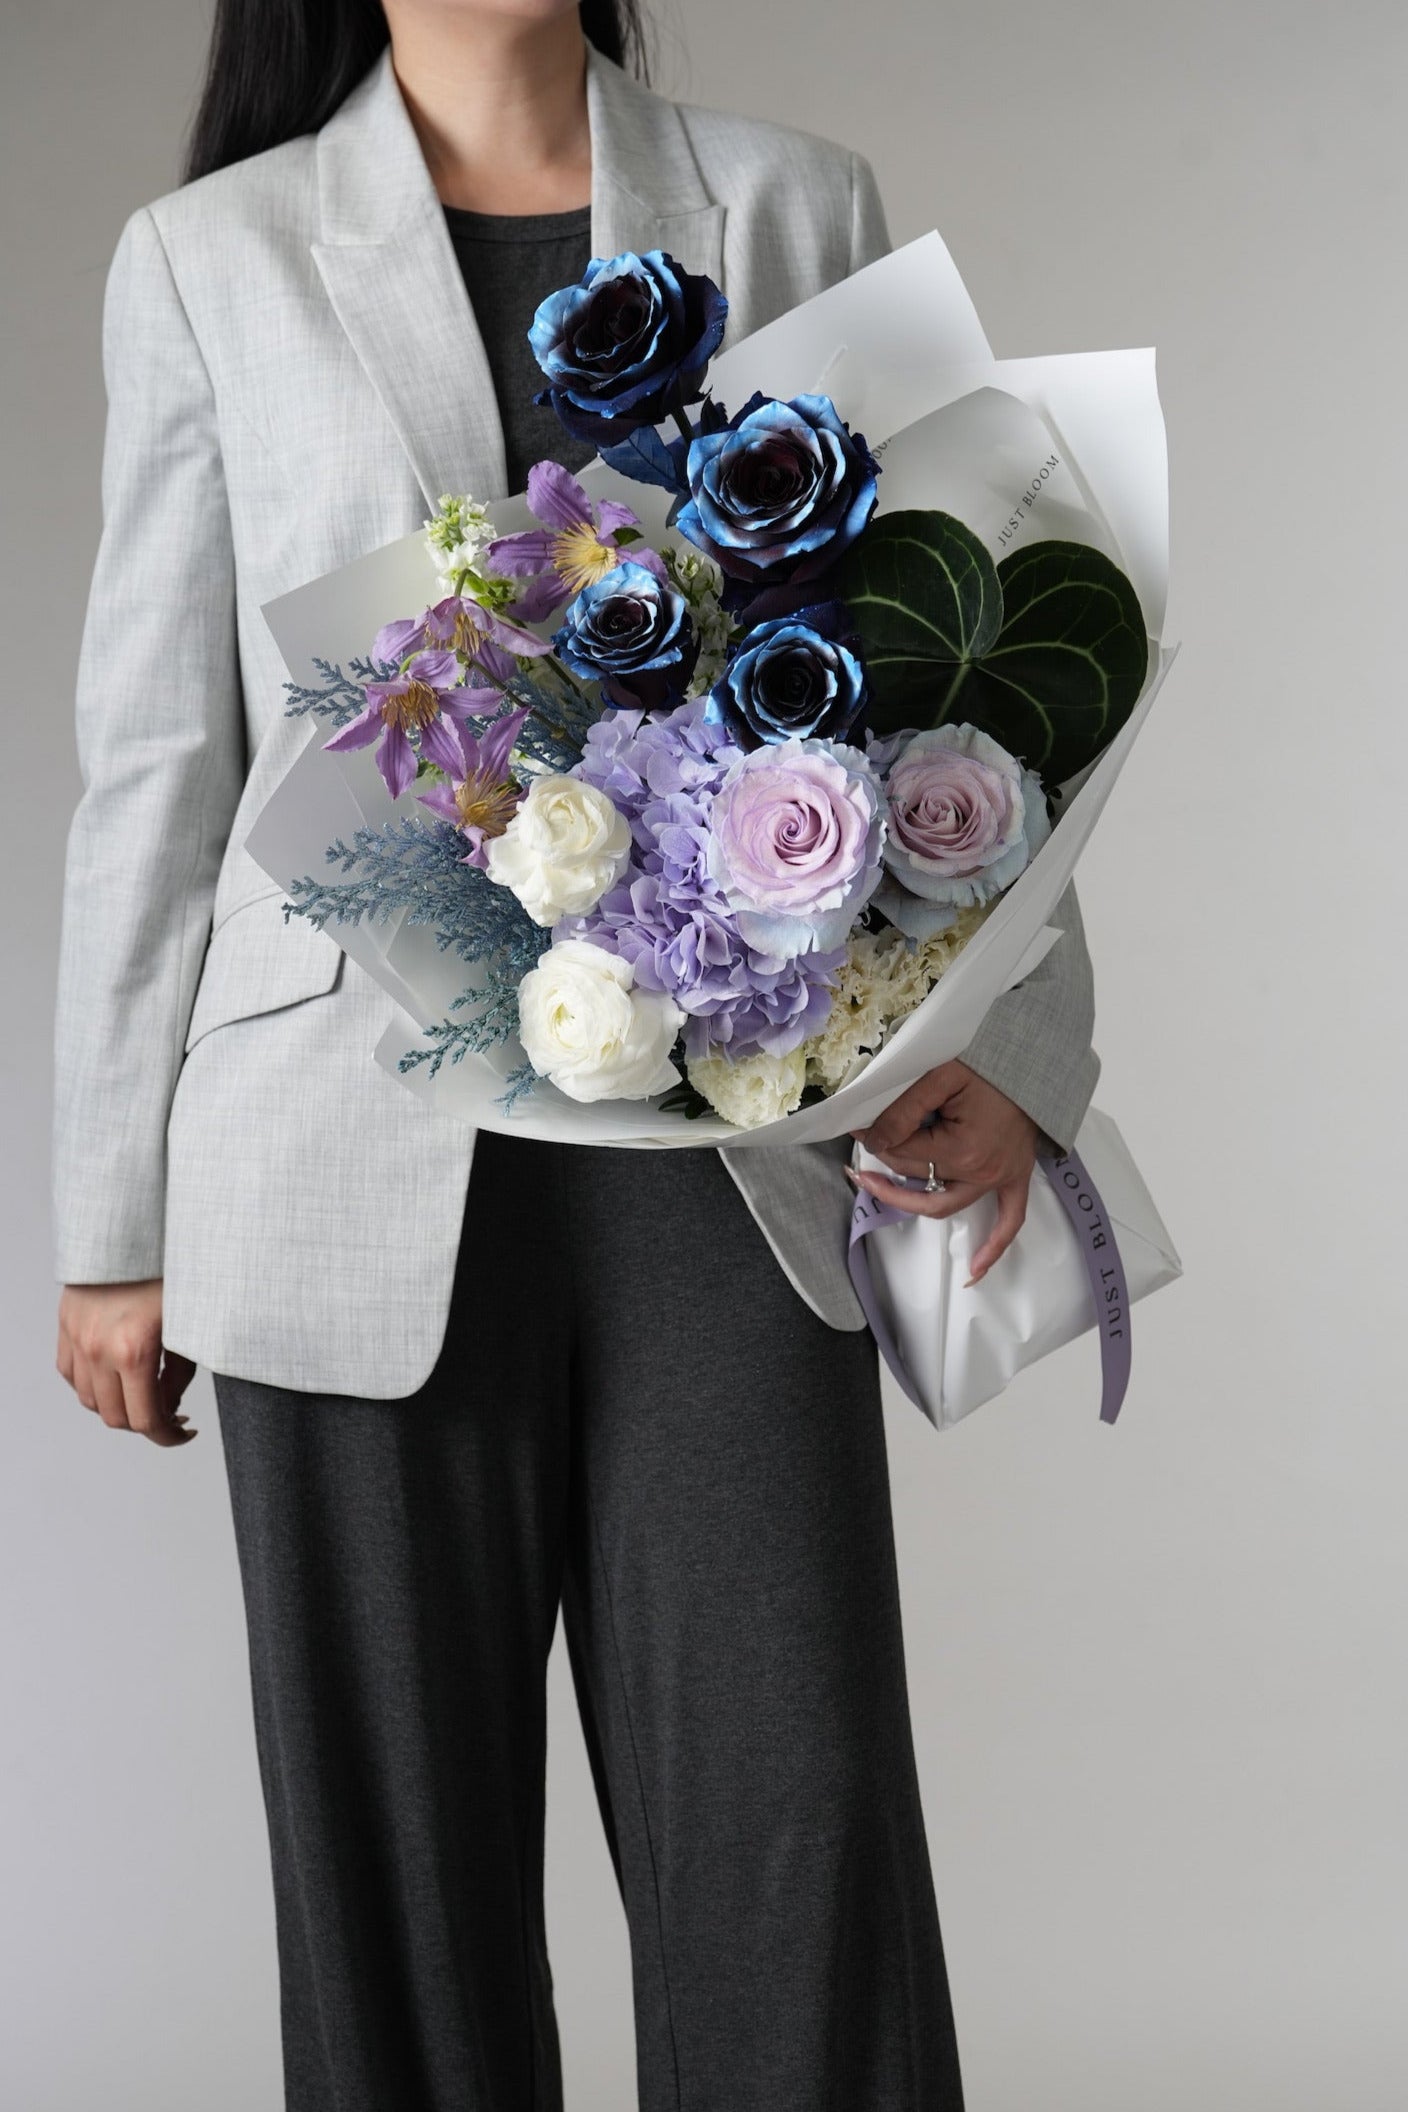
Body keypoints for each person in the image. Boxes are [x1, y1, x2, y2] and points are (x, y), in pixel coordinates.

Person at [52, 2, 1099, 2105]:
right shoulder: (211, 255)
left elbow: (956, 656)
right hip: (328, 1143)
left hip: (729, 1137)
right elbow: (159, 757)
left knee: (789, 1835)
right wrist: (112, 1217)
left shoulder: (789, 200)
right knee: (396, 1887)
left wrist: (1026, 1049)